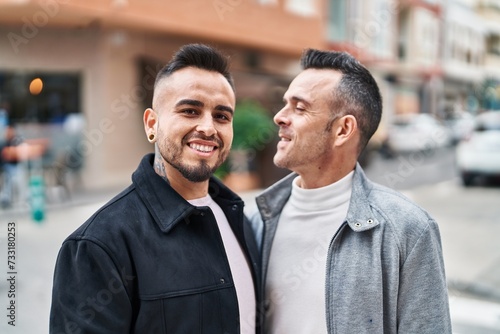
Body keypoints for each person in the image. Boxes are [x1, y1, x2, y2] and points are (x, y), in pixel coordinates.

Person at [50, 44, 260, 334]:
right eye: (190, 111)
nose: (209, 128)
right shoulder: (99, 244)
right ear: (152, 124)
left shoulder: (240, 221)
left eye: (222, 116)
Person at [250, 49, 452, 333]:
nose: (280, 117)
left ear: (343, 130)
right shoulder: (256, 218)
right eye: (285, 105)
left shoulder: (407, 229)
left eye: (299, 107)